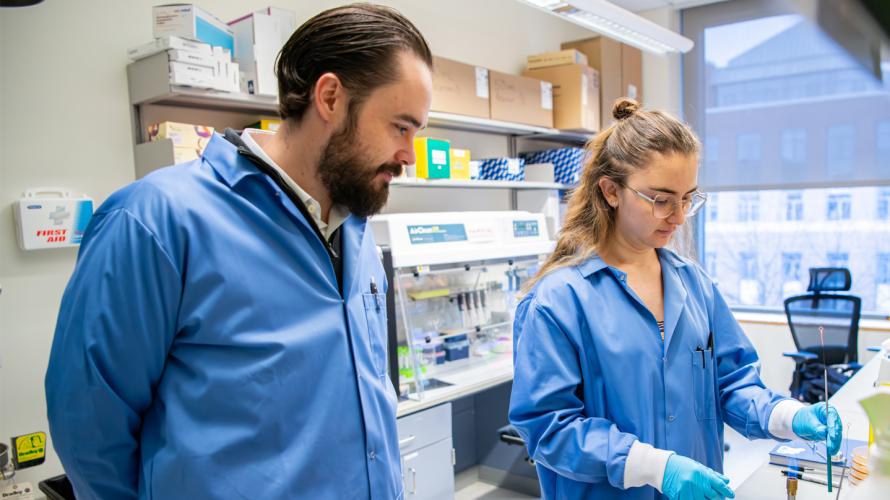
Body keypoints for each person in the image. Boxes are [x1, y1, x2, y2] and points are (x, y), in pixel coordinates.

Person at [44, 4, 433, 499]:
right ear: (331, 96)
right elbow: (89, 432)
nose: (409, 155)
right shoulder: (157, 221)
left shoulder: (353, 229)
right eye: (401, 126)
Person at [508, 98, 843, 500]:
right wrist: (654, 466)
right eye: (661, 200)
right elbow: (548, 427)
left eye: (688, 198)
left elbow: (732, 383)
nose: (679, 216)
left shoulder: (694, 285)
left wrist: (790, 415)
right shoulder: (557, 301)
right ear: (611, 190)